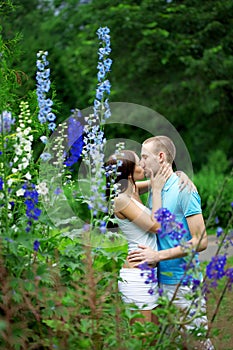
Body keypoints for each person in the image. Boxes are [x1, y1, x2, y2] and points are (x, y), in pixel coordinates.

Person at [127, 136, 214, 349]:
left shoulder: (185, 189)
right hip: (159, 283)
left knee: (198, 344)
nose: (142, 163)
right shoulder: (155, 187)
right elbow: (126, 186)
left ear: (161, 156)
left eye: (145, 157)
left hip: (183, 283)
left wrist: (158, 256)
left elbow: (201, 241)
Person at [105, 150, 194, 324]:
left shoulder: (134, 189)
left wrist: (181, 175)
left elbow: (160, 179)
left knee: (153, 338)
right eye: (139, 163)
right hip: (136, 277)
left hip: (150, 273)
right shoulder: (121, 200)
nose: (143, 166)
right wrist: (158, 191)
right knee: (143, 340)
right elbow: (156, 226)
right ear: (128, 172)